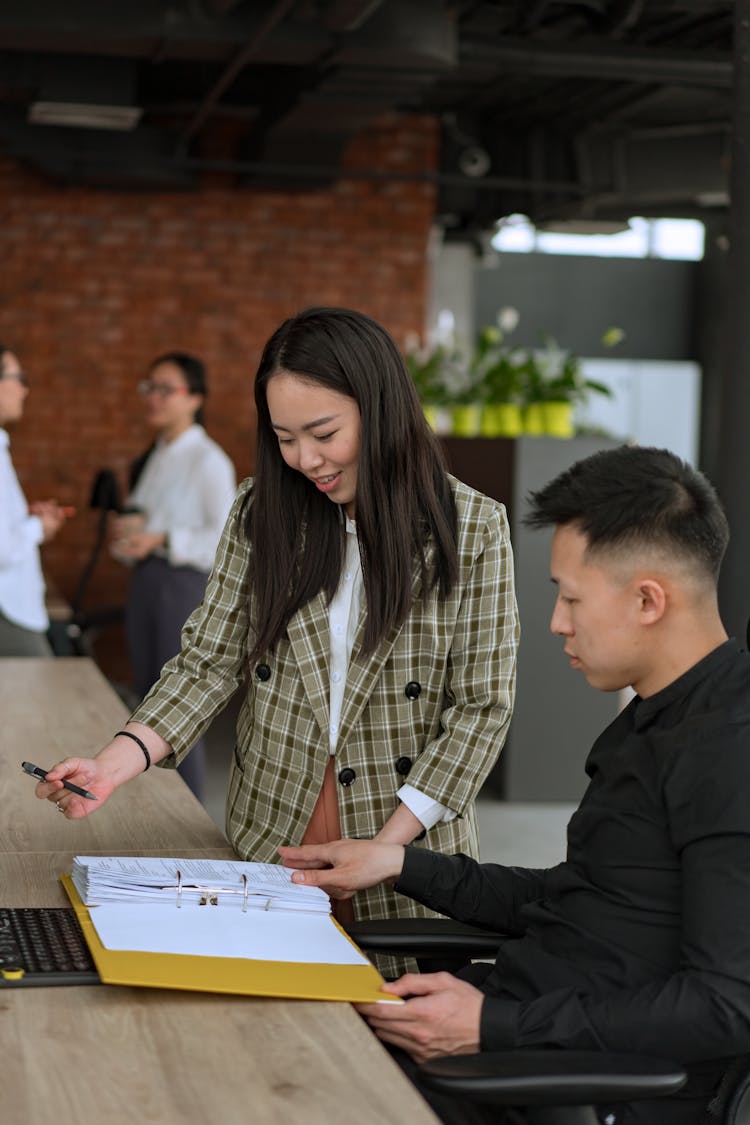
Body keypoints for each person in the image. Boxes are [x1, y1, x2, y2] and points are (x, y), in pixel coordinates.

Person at [278, 444, 750, 1125]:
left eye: (571, 595)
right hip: (509, 1028)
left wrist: (496, 1026)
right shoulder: (652, 721)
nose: (558, 621)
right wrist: (401, 862)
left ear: (649, 600)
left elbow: (727, 1006)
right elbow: (580, 900)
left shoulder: (727, 750)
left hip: (556, 1077)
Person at [36, 307, 519, 945]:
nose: (305, 460)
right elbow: (208, 661)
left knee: (395, 1018)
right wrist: (113, 765)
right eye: (285, 438)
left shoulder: (473, 527)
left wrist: (387, 848)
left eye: (323, 433)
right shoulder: (260, 510)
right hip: (275, 822)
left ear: (380, 410)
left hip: (407, 831)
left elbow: (481, 709)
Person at [109, 352, 236, 800]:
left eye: (165, 389)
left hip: (180, 587)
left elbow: (225, 539)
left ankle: (187, 815)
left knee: (176, 707)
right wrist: (133, 536)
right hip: (148, 582)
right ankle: (159, 808)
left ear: (195, 398)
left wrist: (162, 539)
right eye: (150, 388)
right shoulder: (158, 454)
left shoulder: (208, 460)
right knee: (148, 701)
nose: (153, 398)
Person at [0, 344, 73, 656]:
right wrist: (37, 526)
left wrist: (24, 517)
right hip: (8, 608)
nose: (24, 390)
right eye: (19, 378)